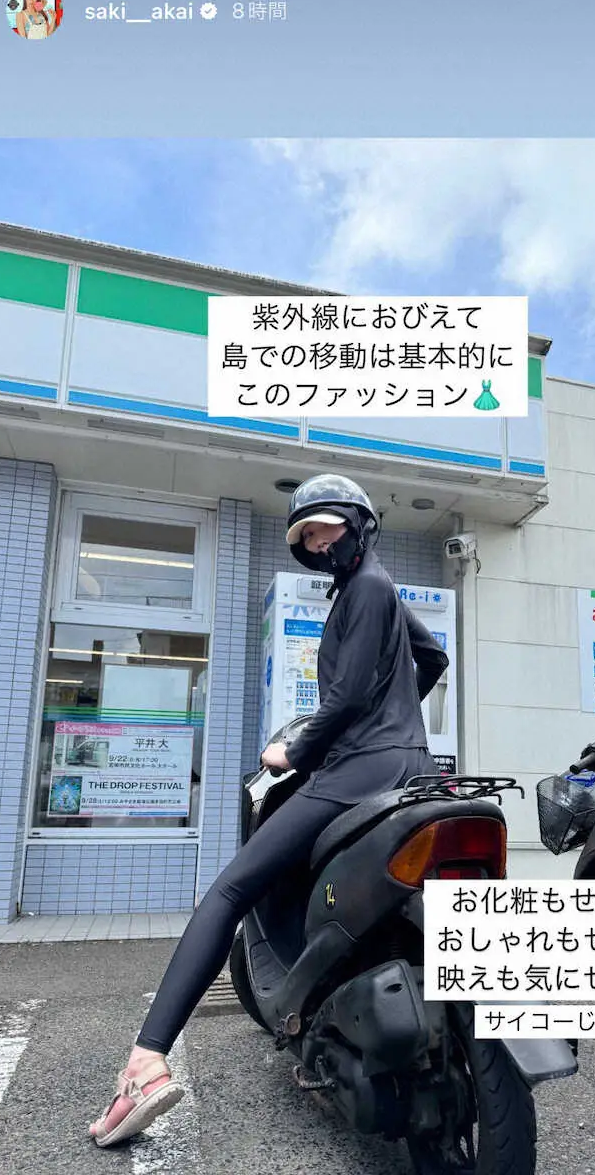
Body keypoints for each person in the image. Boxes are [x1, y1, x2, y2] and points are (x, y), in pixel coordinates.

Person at [90, 473, 449, 1147]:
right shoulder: (380, 588)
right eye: (305, 536)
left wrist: (297, 751)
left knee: (229, 891)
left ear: (358, 522)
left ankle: (145, 1062)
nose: (317, 542)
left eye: (325, 527)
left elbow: (344, 699)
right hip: (413, 767)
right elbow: (433, 657)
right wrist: (396, 714)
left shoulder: (364, 589)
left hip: (357, 770)